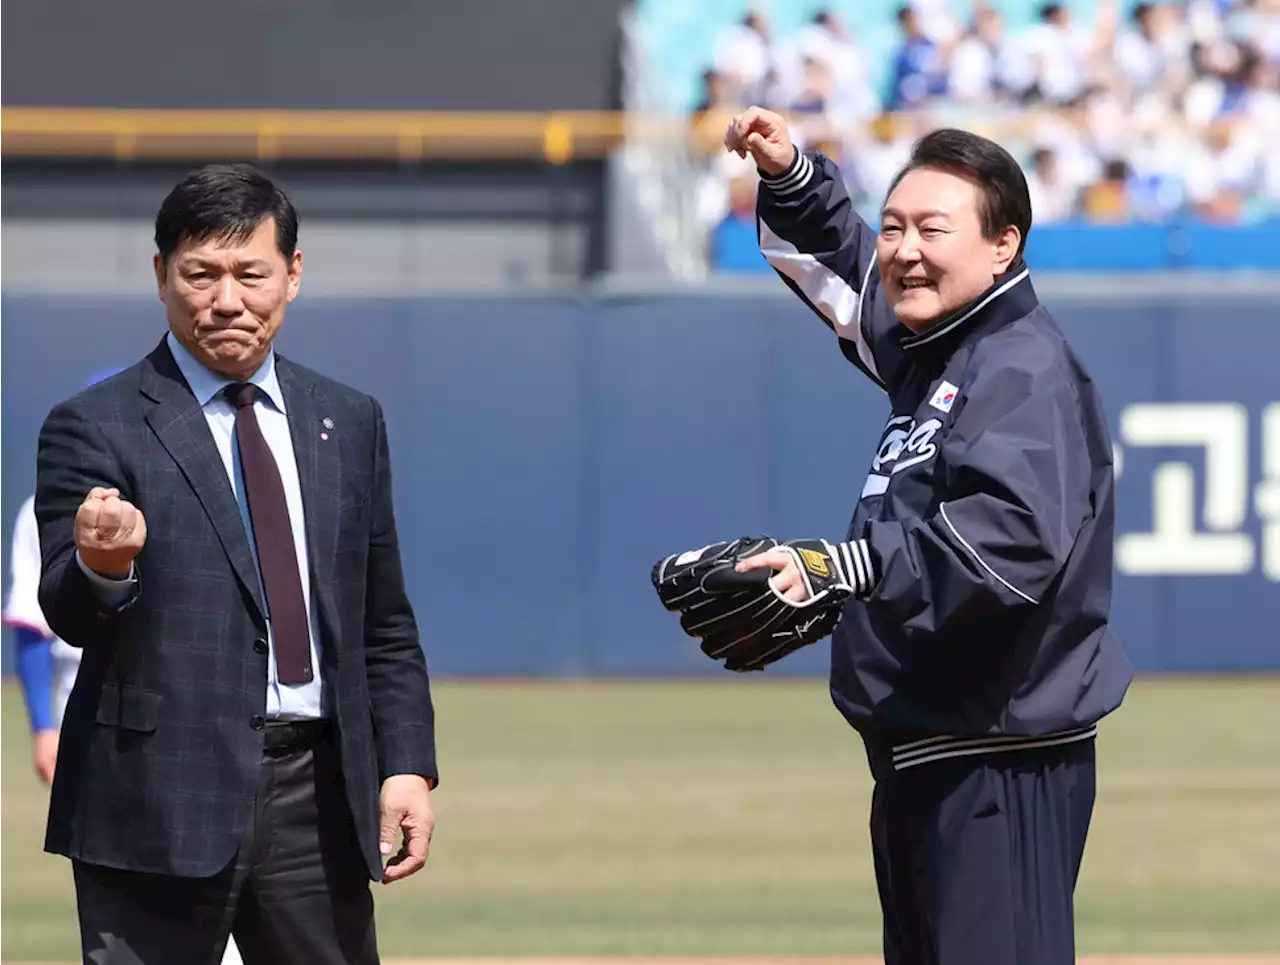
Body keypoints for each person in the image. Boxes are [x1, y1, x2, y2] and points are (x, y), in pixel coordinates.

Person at [720, 106, 1133, 964]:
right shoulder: (940, 351)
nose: (903, 247)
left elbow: (1013, 544)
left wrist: (850, 566)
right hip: (933, 755)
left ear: (1002, 246)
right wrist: (794, 172)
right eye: (896, 225)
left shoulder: (1018, 363)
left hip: (998, 759)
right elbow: (851, 278)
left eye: (931, 228)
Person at [33, 162, 438, 965]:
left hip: (318, 801)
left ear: (292, 274)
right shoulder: (95, 424)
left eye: (250, 273)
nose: (226, 299)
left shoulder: (347, 421)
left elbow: (381, 620)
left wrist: (407, 767)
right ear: (160, 276)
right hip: (154, 796)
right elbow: (67, 609)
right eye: (200, 274)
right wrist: (100, 563)